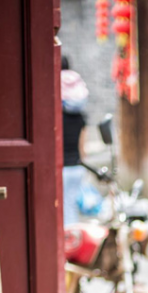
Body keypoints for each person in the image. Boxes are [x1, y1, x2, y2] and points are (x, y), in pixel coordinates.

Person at [61, 55, 88, 226]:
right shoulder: (80, 117)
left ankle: (67, 245)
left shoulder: (57, 115)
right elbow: (82, 146)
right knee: (71, 206)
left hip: (61, 166)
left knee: (63, 208)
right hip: (76, 166)